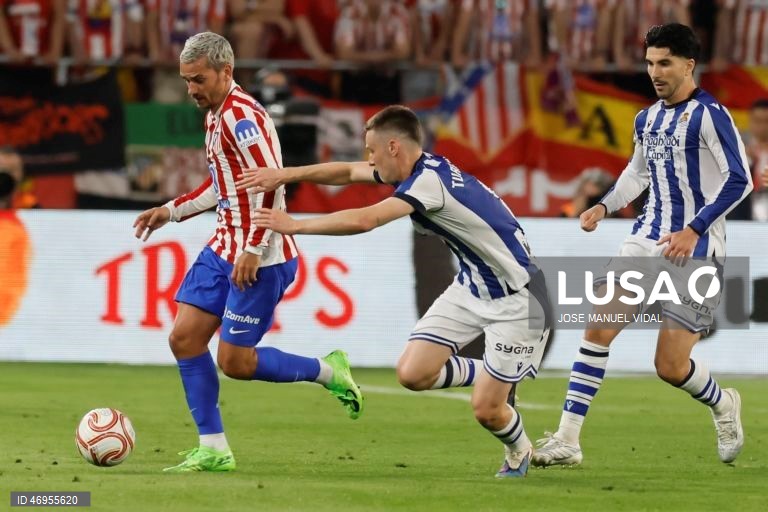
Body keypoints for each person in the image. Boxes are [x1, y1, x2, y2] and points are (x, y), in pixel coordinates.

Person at [235, 105, 551, 478]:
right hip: (472, 286)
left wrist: (296, 225)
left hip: (520, 299)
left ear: (393, 147)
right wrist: (285, 174)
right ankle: (498, 373)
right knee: (412, 374)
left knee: (487, 411)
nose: (368, 158)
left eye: (372, 150)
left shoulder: (427, 184)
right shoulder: (420, 169)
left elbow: (366, 219)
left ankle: (519, 449)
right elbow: (347, 172)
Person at [132, 32, 364, 473]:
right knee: (184, 339)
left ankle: (328, 371)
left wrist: (254, 248)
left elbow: (272, 180)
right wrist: (170, 210)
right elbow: (220, 185)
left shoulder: (242, 118)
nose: (191, 89)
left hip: (262, 255)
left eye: (198, 79)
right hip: (224, 245)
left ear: (226, 72)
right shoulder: (215, 114)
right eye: (186, 80)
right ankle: (214, 448)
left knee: (235, 363)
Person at [532, 23, 752, 467]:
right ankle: (568, 440)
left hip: (696, 249)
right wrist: (604, 206)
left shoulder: (710, 115)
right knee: (598, 328)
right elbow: (637, 174)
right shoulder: (646, 118)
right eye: (650, 63)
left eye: (665, 62)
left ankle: (723, 403)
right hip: (645, 239)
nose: (655, 72)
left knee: (670, 366)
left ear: (689, 65)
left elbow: (740, 180)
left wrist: (695, 228)